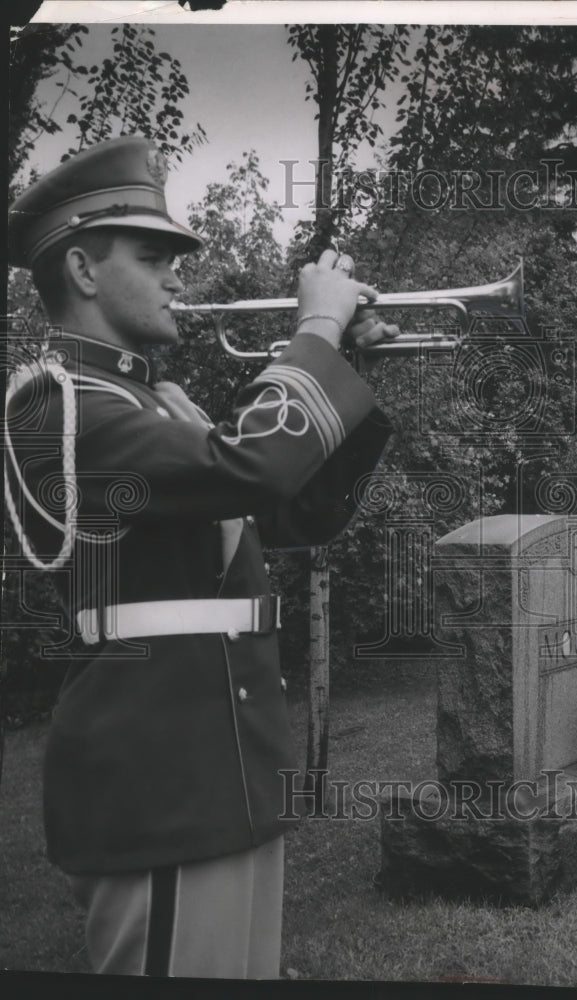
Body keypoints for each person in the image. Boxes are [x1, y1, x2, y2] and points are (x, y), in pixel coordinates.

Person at [5, 135, 397, 977]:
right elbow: (253, 464)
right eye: (154, 257)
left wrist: (348, 366)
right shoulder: (58, 403)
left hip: (225, 774)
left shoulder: (152, 401)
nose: (179, 276)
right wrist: (317, 328)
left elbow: (294, 513)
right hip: (161, 783)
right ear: (80, 269)